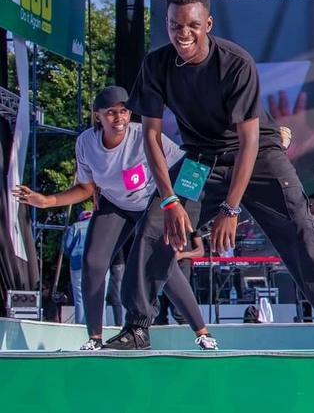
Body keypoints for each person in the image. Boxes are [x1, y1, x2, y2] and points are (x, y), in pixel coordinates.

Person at [103, 0, 314, 350]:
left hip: (258, 155)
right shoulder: (156, 65)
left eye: (192, 25)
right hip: (200, 160)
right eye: (175, 26)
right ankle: (136, 328)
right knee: (154, 227)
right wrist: (169, 201)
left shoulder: (235, 63)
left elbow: (248, 142)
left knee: (299, 226)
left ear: (208, 23)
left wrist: (231, 208)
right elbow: (150, 137)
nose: (183, 34)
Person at [15, 86, 216, 350]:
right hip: (115, 205)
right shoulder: (86, 143)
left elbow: (187, 167)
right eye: (110, 113)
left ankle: (202, 332)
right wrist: (46, 200)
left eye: (123, 111)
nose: (118, 118)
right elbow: (86, 188)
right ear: (97, 115)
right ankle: (95, 338)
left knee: (161, 268)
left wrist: (189, 214)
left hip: (150, 206)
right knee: (93, 263)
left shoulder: (144, 135)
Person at [154, 230, 204, 326]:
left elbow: (200, 251)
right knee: (159, 312)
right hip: (161, 264)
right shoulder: (160, 221)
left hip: (181, 266)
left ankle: (190, 334)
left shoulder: (191, 224)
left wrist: (182, 255)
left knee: (179, 312)